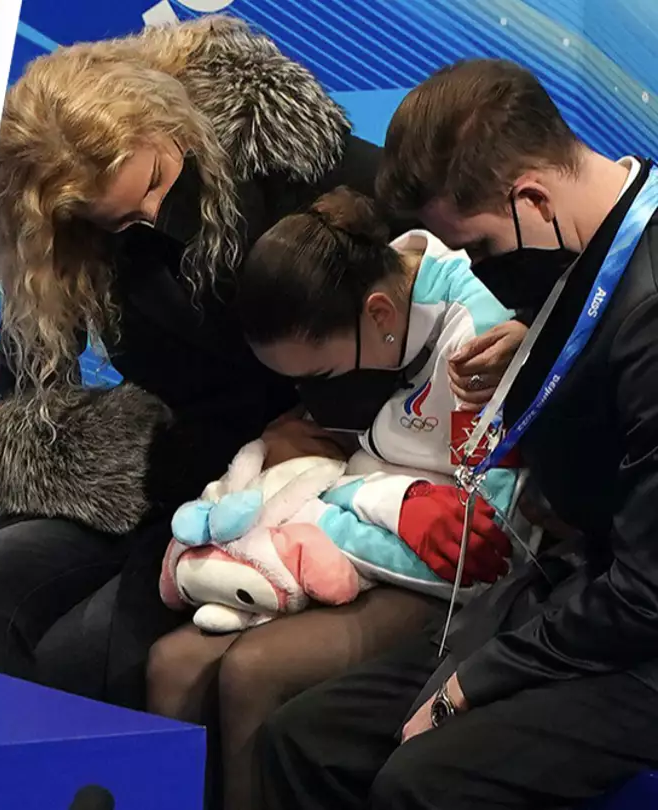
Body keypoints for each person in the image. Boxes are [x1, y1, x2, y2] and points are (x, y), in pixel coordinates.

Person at [0, 15, 524, 712]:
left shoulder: (296, 163)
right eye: (112, 220)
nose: (145, 216)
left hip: (327, 473)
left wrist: (311, 435)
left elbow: (455, 284)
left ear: (168, 121)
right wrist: (188, 456)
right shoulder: (65, 248)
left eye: (155, 184)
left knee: (95, 656)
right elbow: (28, 427)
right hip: (177, 473)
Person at [256, 58, 658, 809]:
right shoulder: (585, 263)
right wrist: (531, 334)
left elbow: (647, 595)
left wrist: (479, 679)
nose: (473, 271)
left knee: (421, 783)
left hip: (639, 633)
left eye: (474, 249)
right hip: (582, 591)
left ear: (531, 198)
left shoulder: (648, 309)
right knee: (302, 738)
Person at [149, 186, 520, 810]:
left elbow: (480, 547)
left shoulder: (477, 342)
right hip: (349, 544)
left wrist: (322, 506)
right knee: (172, 663)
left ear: (378, 315)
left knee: (253, 671)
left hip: (434, 584)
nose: (315, 392)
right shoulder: (363, 317)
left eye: (316, 376)